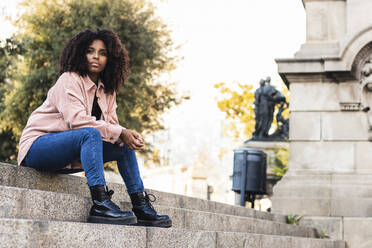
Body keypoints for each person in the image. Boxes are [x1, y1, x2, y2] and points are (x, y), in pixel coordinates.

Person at [17, 29, 172, 228]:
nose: (96, 57)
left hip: (69, 153)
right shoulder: (69, 79)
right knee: (90, 134)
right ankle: (100, 204)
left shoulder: (108, 89)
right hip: (38, 148)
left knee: (123, 147)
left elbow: (112, 128)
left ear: (111, 58)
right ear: (81, 53)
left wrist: (127, 136)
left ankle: (141, 207)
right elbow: (78, 122)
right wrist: (120, 132)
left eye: (103, 53)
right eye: (91, 51)